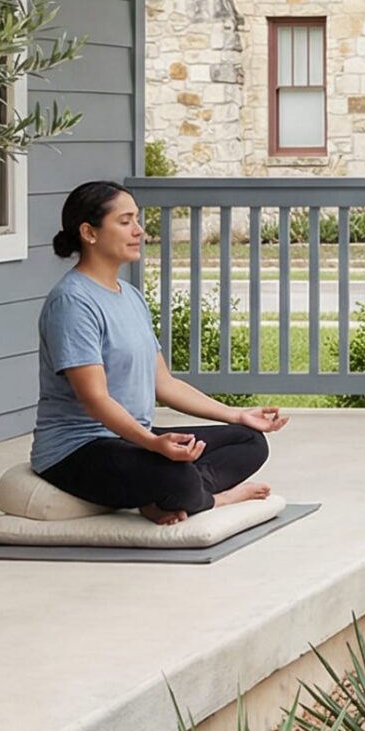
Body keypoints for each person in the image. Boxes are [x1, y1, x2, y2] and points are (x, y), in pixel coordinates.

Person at [30, 181, 287, 525]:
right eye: (125, 222)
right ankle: (210, 498)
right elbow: (95, 400)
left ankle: (172, 494)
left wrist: (237, 414)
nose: (139, 231)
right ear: (89, 232)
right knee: (175, 476)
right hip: (77, 451)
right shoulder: (72, 302)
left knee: (249, 442)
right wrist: (153, 444)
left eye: (137, 219)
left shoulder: (130, 297)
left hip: (131, 440)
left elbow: (163, 384)